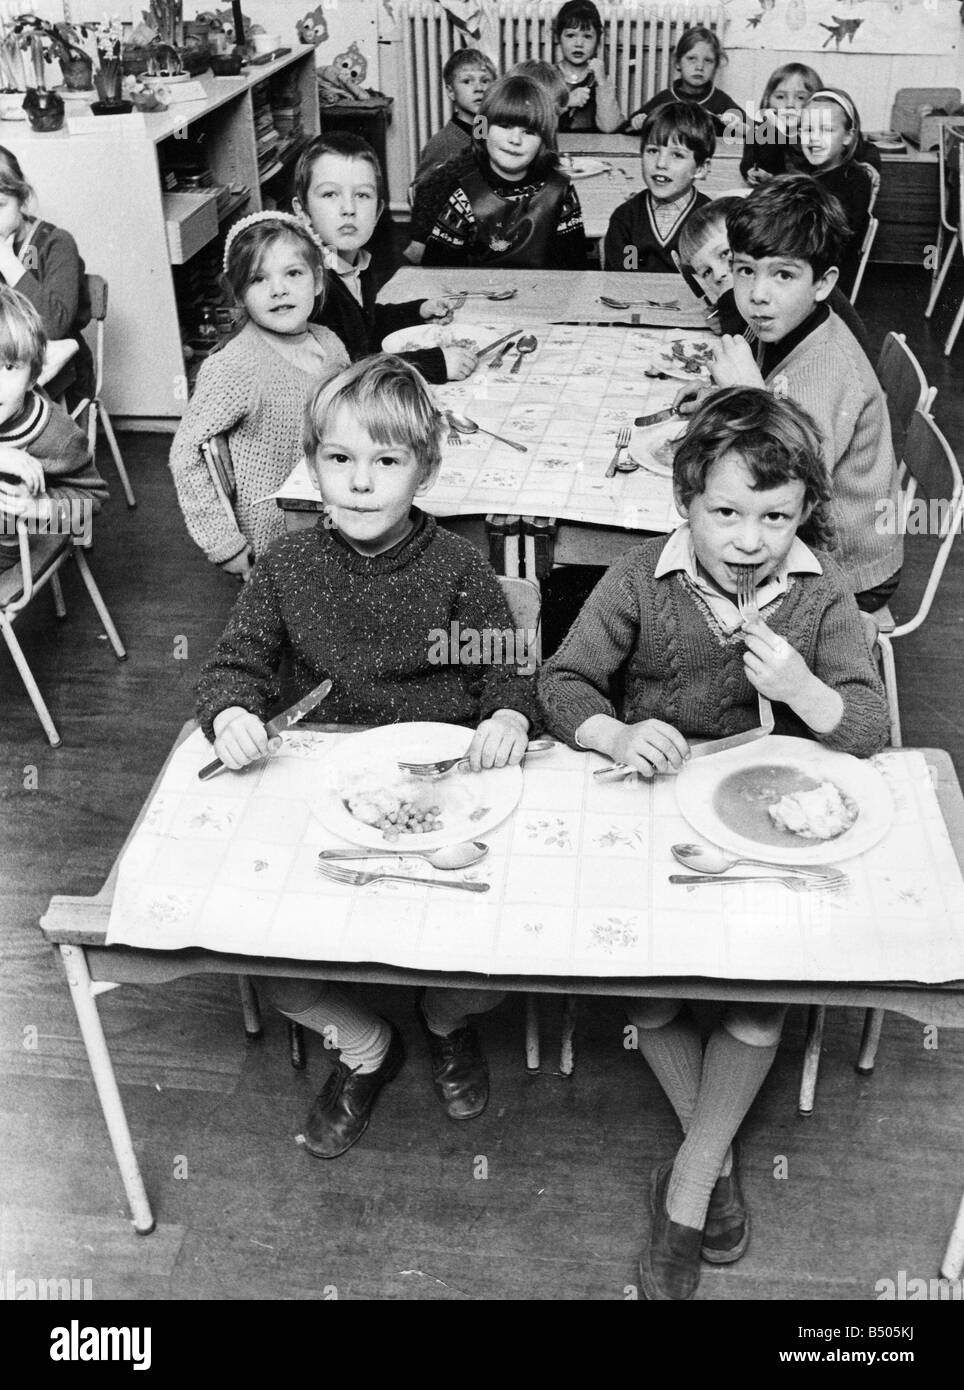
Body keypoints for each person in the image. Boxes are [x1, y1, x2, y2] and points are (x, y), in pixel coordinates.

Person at [537, 386, 889, 1300]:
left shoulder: (819, 596)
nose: (747, 539)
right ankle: (716, 1159)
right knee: (645, 986)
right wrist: (612, 735)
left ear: (807, 512)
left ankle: (691, 1182)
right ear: (684, 505)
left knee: (760, 994)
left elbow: (871, 725)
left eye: (775, 516)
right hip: (652, 806)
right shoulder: (635, 584)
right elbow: (564, 682)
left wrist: (809, 691)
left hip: (761, 818)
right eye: (724, 513)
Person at [196, 354, 538, 1159]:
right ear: (311, 463)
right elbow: (231, 667)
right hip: (331, 783)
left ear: (425, 469)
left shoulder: (457, 567)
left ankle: (446, 1018)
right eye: (338, 459)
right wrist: (233, 711)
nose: (358, 482)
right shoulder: (285, 564)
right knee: (259, 946)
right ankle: (364, 1044)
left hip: (448, 786)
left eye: (386, 462)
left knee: (497, 938)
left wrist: (511, 718)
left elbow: (507, 674)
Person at [682, 175, 902, 610]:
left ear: (823, 284)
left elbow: (783, 482)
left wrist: (746, 392)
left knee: (682, 571)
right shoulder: (784, 325)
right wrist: (719, 397)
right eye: (745, 270)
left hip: (845, 566)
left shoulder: (830, 367)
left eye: (783, 274)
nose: (757, 295)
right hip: (804, 536)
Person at [169, 212, 349, 579]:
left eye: (293, 273)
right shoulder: (235, 366)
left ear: (317, 280)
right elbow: (186, 452)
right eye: (258, 279)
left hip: (340, 514)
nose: (278, 289)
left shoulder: (329, 343)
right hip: (279, 543)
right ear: (238, 294)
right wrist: (223, 543)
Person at [294, 133, 473, 387]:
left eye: (362, 195)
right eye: (330, 194)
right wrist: (433, 363)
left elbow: (363, 327)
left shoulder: (353, 265)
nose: (349, 208)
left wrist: (416, 312)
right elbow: (351, 371)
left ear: (378, 211)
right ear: (302, 212)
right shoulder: (310, 284)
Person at [409, 72, 586, 270]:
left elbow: (574, 268)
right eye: (504, 126)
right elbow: (438, 272)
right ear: (483, 129)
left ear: (543, 141)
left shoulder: (561, 191)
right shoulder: (463, 195)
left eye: (529, 131)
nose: (515, 140)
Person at [675, 195, 873, 360]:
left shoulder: (801, 295)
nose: (719, 274)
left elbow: (748, 362)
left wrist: (729, 307)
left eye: (726, 254)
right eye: (707, 272)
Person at [0, 284, 107, 571]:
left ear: (33, 376)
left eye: (9, 367)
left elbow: (92, 502)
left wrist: (39, 507)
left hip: (11, 547)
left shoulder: (57, 435)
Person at [0, 145, 93, 406]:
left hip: (61, 378)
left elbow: (54, 327)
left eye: (0, 205)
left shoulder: (56, 243)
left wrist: (7, 261)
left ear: (23, 198)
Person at [603, 102, 713, 273]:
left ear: (701, 168)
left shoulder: (713, 221)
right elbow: (624, 279)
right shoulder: (626, 220)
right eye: (653, 151)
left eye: (677, 155)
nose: (661, 163)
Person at [798, 88, 879, 297]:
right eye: (807, 130)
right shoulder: (809, 172)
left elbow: (833, 237)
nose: (814, 139)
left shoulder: (855, 180)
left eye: (826, 130)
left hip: (826, 280)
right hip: (800, 265)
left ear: (847, 137)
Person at [626, 26, 742, 138]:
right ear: (678, 63)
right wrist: (637, 124)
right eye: (691, 58)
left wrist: (739, 126)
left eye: (708, 60)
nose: (699, 67)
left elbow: (757, 135)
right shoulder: (664, 99)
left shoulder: (721, 101)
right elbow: (623, 131)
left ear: (716, 66)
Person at [411, 48, 497, 187]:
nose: (479, 88)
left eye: (485, 80)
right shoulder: (441, 144)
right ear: (451, 92)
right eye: (467, 81)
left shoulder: (499, 135)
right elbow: (418, 194)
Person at [740, 62, 823, 186]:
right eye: (780, 97)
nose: (790, 104)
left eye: (800, 98)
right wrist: (751, 172)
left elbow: (808, 176)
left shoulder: (818, 135)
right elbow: (749, 163)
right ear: (768, 101)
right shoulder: (760, 130)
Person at [552, 0, 624, 133]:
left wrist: (602, 83)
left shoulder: (599, 78)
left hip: (592, 149)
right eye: (570, 35)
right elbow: (535, 123)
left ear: (598, 40)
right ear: (558, 37)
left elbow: (610, 127)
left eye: (587, 36)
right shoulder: (549, 76)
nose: (579, 43)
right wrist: (565, 103)